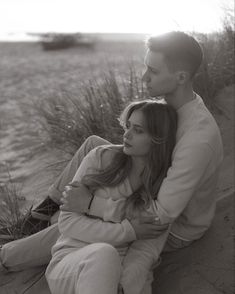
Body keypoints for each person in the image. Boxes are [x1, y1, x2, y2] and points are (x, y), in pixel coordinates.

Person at [0, 31, 223, 291]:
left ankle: (8, 256)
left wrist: (94, 204)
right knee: (94, 146)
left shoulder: (197, 138)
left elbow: (159, 217)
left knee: (82, 225)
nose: (143, 77)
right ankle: (45, 211)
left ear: (181, 77)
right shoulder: (177, 106)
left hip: (173, 226)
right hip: (151, 189)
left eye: (152, 70)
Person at [45, 99, 177, 294]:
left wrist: (125, 285)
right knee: (104, 253)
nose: (127, 134)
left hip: (119, 272)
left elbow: (146, 250)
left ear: (158, 139)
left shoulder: (164, 188)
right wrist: (128, 231)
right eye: (128, 126)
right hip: (73, 262)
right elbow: (67, 223)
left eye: (138, 130)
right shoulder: (100, 157)